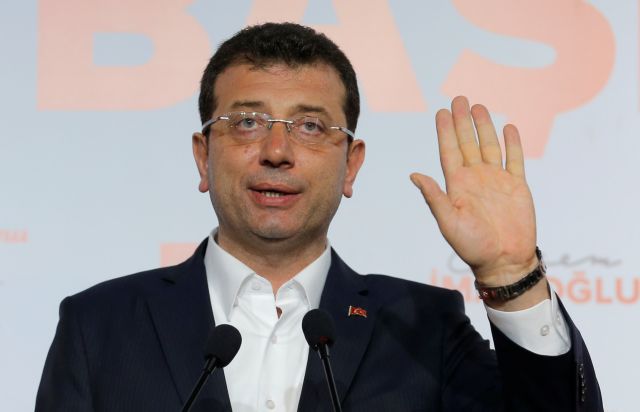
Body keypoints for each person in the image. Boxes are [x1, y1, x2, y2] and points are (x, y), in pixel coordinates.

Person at [36, 23, 602, 411]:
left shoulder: (422, 326)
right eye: (247, 121)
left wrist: (511, 273)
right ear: (202, 155)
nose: (277, 151)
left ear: (351, 164)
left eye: (310, 126)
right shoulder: (99, 325)